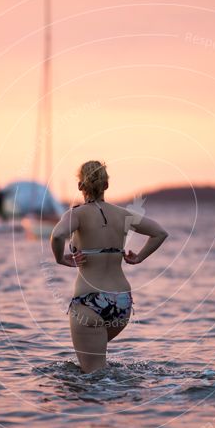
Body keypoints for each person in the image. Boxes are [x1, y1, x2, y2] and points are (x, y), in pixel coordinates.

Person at [50, 160, 168, 373]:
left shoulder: (75, 215)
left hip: (89, 303)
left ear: (80, 186)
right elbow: (160, 233)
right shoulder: (123, 214)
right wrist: (139, 257)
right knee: (99, 367)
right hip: (122, 302)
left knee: (93, 375)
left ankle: (98, 404)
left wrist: (60, 259)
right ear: (106, 186)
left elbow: (57, 234)